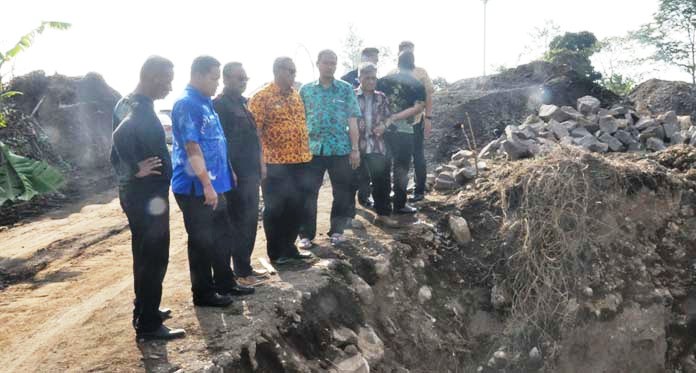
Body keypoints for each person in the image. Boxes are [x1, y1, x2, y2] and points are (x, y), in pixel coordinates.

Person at [111, 56, 185, 341]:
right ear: (153, 77)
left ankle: (145, 309)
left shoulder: (127, 102)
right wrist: (134, 168)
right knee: (154, 256)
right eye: (167, 80)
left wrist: (128, 171)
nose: (169, 86)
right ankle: (149, 324)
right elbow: (118, 138)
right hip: (146, 197)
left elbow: (114, 147)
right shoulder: (139, 109)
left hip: (138, 195)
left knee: (143, 254)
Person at [171, 56, 254, 308]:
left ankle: (225, 282)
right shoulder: (187, 104)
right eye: (213, 78)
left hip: (218, 183)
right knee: (202, 241)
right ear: (197, 75)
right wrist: (206, 184)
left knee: (222, 236)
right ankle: (203, 293)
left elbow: (218, 142)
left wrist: (228, 171)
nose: (217, 83)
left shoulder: (206, 103)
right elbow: (192, 146)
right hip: (196, 187)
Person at [248, 57, 315, 265]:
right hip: (275, 163)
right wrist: (260, 163)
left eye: (295, 72)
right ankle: (276, 253)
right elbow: (255, 134)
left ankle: (290, 246)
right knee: (276, 208)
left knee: (296, 206)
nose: (294, 76)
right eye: (290, 71)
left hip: (301, 161)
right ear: (277, 70)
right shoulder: (261, 97)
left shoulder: (295, 95)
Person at [298, 50, 361, 247]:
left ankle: (337, 231)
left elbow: (352, 121)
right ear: (318, 64)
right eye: (326, 63)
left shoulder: (345, 89)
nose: (330, 66)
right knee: (309, 192)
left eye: (333, 63)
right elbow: (299, 121)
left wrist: (355, 149)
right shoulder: (306, 91)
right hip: (313, 149)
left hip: (340, 149)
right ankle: (306, 235)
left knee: (341, 192)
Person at [213, 62, 268, 286]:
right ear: (226, 79)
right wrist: (230, 170)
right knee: (237, 222)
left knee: (250, 220)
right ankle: (240, 273)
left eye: (246, 78)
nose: (244, 82)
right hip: (235, 175)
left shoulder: (245, 105)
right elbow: (220, 143)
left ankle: (245, 267)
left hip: (251, 172)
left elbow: (254, 138)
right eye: (239, 78)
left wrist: (261, 164)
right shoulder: (219, 105)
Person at [377, 51, 426, 214]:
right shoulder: (417, 84)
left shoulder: (383, 81)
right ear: (413, 64)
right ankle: (399, 204)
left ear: (397, 63)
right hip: (405, 131)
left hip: (382, 130)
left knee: (383, 167)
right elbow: (418, 108)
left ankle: (382, 205)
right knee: (402, 168)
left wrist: (387, 119)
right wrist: (397, 116)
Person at [353, 63, 400, 228]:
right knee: (351, 180)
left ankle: (383, 214)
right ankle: (348, 216)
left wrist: (384, 126)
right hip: (355, 146)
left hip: (377, 145)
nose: (371, 81)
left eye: (374, 78)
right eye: (367, 78)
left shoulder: (381, 97)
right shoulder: (350, 96)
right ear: (359, 78)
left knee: (382, 181)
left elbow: (389, 117)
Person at [392, 41, 435, 202]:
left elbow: (428, 96)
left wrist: (429, 118)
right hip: (395, 126)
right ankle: (398, 191)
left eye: (410, 50)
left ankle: (419, 190)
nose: (408, 53)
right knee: (398, 158)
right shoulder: (391, 73)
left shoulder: (421, 73)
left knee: (418, 156)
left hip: (416, 122)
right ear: (398, 52)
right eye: (404, 50)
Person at [342, 47, 379, 208]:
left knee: (366, 172)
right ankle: (348, 208)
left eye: (376, 60)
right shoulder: (346, 80)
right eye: (372, 58)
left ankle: (364, 197)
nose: (375, 61)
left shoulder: (376, 80)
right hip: (351, 133)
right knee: (351, 172)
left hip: (371, 136)